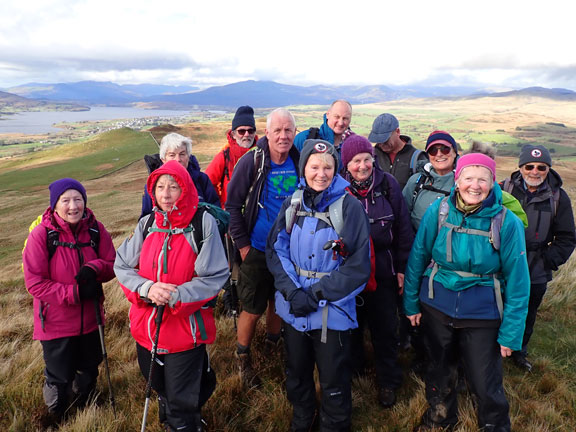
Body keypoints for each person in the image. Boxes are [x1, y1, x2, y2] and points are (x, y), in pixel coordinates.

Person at [404, 153, 530, 431]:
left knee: (484, 380)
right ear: (457, 179)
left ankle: (494, 425)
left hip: (483, 313)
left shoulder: (506, 222)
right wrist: (411, 303)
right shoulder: (439, 211)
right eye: (468, 178)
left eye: (482, 179)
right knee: (439, 370)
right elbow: (418, 258)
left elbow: (519, 282)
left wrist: (511, 333)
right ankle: (439, 419)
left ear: (493, 182)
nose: (475, 185)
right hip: (437, 306)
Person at [115, 160, 228, 431]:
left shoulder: (202, 224)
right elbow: (122, 265)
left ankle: (184, 424)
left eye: (174, 187)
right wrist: (147, 288)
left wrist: (177, 295)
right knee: (160, 386)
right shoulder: (147, 224)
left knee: (182, 399)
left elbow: (214, 276)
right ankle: (173, 420)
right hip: (147, 330)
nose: (166, 194)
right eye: (160, 187)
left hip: (185, 332)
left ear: (186, 189)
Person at [267, 139, 370, 432]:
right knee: (297, 372)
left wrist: (314, 295)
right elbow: (276, 249)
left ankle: (335, 425)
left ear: (336, 170)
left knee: (334, 376)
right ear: (304, 168)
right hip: (294, 308)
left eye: (328, 167)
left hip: (332, 311)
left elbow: (358, 266)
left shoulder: (349, 207)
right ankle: (303, 418)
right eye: (314, 166)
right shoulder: (293, 203)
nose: (321, 173)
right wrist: (292, 292)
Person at [22, 178, 116, 425]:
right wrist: (75, 293)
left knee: (89, 366)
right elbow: (35, 283)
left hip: (91, 319)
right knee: (59, 375)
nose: (73, 206)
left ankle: (87, 403)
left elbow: (113, 263)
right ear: (55, 205)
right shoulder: (41, 236)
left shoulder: (96, 229)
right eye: (66, 200)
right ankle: (57, 415)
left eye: (78, 199)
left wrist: (95, 268)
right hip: (56, 324)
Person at [225, 108, 300, 387]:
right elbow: (232, 206)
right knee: (252, 307)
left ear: (294, 132)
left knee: (278, 303)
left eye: (288, 130)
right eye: (277, 130)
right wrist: (243, 246)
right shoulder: (252, 162)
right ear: (266, 133)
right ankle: (242, 357)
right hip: (256, 249)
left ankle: (272, 347)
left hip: (289, 251)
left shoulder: (299, 160)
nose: (283, 136)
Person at [340, 134, 413, 408]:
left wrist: (403, 268)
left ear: (373, 159)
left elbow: (403, 230)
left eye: (367, 159)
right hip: (348, 272)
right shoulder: (338, 188)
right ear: (346, 164)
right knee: (351, 326)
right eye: (356, 161)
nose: (362, 166)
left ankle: (388, 382)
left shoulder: (388, 185)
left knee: (385, 329)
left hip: (383, 270)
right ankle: (354, 369)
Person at [501, 144, 576, 372]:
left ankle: (519, 352)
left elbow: (567, 237)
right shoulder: (503, 189)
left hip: (536, 266)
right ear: (521, 167)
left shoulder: (558, 198)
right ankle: (493, 349)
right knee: (497, 307)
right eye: (529, 166)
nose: (535, 171)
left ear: (548, 169)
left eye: (541, 167)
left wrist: (547, 261)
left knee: (528, 311)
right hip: (502, 263)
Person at [140, 132, 219, 219]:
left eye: (182, 154)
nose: (178, 159)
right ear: (163, 159)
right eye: (172, 155)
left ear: (188, 157)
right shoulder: (152, 185)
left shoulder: (202, 179)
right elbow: (146, 219)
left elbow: (215, 211)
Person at [403, 131, 459, 231]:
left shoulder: (465, 183)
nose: (439, 154)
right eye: (433, 150)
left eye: (445, 149)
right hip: (417, 243)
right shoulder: (416, 181)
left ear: (454, 152)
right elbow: (402, 216)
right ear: (428, 155)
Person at [205, 105, 259, 207]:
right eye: (241, 131)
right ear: (233, 134)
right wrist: (220, 206)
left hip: (256, 214)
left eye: (250, 130)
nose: (246, 134)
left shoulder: (262, 154)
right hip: (230, 215)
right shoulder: (224, 156)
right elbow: (208, 182)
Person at [369, 113, 428, 190]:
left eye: (385, 140)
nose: (381, 144)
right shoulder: (372, 155)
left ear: (397, 132)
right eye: (378, 140)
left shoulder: (418, 158)